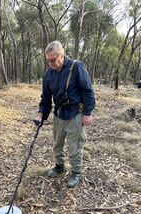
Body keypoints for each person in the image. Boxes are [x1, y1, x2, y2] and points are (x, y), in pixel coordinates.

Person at [34, 41, 95, 188]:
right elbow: (46, 98)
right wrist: (41, 114)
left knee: (75, 146)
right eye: (47, 60)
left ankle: (76, 172)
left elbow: (88, 91)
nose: (50, 63)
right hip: (59, 114)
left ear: (61, 55)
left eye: (53, 59)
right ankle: (59, 166)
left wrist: (88, 113)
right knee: (57, 143)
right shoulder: (48, 74)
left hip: (75, 113)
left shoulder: (76, 67)